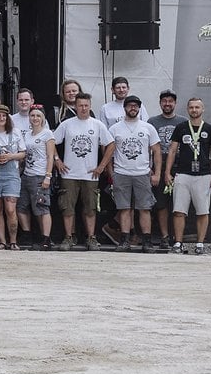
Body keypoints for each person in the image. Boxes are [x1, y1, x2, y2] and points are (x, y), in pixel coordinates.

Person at [52, 92, 112, 250]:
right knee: (67, 207)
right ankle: (68, 237)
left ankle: (91, 238)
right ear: (75, 106)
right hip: (69, 174)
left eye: (86, 105)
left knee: (90, 208)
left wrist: (102, 166)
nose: (83, 108)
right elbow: (51, 141)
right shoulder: (67, 124)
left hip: (90, 175)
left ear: (90, 106)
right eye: (80, 105)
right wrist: (57, 160)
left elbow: (111, 144)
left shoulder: (97, 124)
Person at [164, 97, 211, 255]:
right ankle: (178, 242)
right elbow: (173, 151)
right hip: (182, 174)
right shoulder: (181, 128)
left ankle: (200, 243)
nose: (194, 110)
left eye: (197, 107)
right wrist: (167, 172)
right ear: (187, 110)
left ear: (203, 109)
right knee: (179, 210)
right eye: (191, 108)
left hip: (203, 175)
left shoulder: (209, 129)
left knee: (203, 211)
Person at [107, 94, 161, 253]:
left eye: (136, 106)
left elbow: (156, 151)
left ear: (139, 108)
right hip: (121, 172)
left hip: (142, 173)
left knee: (145, 208)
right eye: (130, 105)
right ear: (124, 108)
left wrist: (157, 173)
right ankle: (125, 240)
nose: (133, 108)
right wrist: (112, 173)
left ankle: (147, 241)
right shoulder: (115, 128)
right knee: (124, 208)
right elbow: (108, 152)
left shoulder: (147, 127)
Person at [148, 89, 186, 248]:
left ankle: (178, 239)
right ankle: (164, 236)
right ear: (160, 103)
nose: (167, 104)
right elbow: (146, 146)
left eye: (170, 101)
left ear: (175, 104)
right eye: (164, 101)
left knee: (179, 203)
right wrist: (150, 167)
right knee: (161, 203)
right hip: (159, 164)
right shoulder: (152, 122)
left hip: (180, 164)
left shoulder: (183, 122)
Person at [0, 104, 26, 249]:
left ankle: (13, 240)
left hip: (11, 174)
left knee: (10, 208)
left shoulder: (15, 132)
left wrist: (10, 156)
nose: (1, 118)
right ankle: (2, 240)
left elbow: (23, 153)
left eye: (4, 116)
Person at [17, 105, 56, 249]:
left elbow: (50, 156)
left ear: (43, 118)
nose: (35, 118)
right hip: (26, 174)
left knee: (42, 207)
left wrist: (48, 176)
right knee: (21, 206)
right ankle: (27, 234)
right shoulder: (26, 134)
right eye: (32, 115)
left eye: (38, 116)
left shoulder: (47, 134)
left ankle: (46, 238)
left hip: (40, 175)